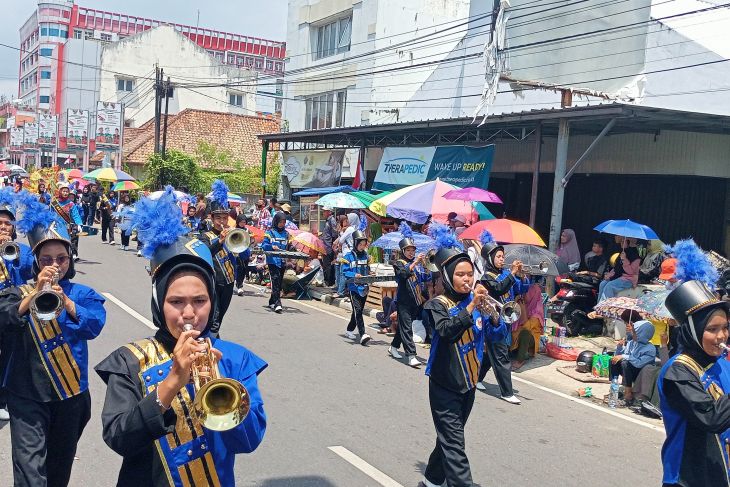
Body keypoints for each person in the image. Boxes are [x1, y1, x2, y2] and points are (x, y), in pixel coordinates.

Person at [95, 187, 266, 487]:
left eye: (200, 301)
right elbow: (119, 438)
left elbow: (249, 441)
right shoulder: (128, 361)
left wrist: (219, 385)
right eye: (176, 302)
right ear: (158, 304)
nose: (189, 314)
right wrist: (173, 381)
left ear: (213, 302)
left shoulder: (236, 360)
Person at [0, 199, 106, 487]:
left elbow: (94, 325)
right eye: (46, 259)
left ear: (70, 259)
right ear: (35, 262)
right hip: (26, 395)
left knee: (58, 471)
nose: (55, 265)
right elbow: (3, 319)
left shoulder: (83, 293)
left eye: (61, 258)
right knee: (30, 474)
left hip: (70, 395)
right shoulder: (17, 292)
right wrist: (33, 295)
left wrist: (68, 302)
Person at [420, 223, 491, 487]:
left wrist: (493, 316)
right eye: (460, 274)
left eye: (469, 274)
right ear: (448, 276)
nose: (467, 280)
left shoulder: (475, 300)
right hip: (444, 384)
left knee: (450, 437)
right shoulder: (437, 304)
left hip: (468, 384)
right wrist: (472, 306)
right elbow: (446, 331)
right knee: (455, 443)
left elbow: (493, 334)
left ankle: (432, 478)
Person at [658, 280, 730, 487]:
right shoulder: (677, 372)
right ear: (693, 331)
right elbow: (711, 417)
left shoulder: (721, 364)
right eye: (712, 329)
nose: (722, 336)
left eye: (725, 328)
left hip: (721, 470)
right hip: (690, 475)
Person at [476, 231, 529, 404]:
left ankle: (476, 379)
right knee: (501, 355)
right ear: (490, 258)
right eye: (498, 256)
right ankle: (507, 392)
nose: (501, 259)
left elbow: (521, 290)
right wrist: (512, 274)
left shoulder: (506, 273)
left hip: (506, 318)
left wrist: (521, 275)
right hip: (493, 320)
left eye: (502, 256)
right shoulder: (486, 277)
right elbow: (498, 289)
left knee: (492, 353)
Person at [0, 190, 35, 422]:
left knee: (11, 355)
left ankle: (3, 399)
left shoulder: (18, 250)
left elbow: (34, 268)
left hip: (12, 310)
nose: (4, 227)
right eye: (0, 223)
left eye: (8, 224)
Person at [389, 222, 432, 368]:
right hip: (403, 300)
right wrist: (415, 263)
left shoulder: (417, 263)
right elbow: (403, 274)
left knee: (403, 327)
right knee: (407, 327)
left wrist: (425, 265)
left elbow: (426, 278)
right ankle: (411, 355)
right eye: (408, 250)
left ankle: (393, 347)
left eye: (413, 250)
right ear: (403, 251)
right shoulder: (398, 263)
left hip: (416, 301)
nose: (411, 253)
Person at [199, 180, 237, 334]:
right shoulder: (205, 236)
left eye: (225, 218)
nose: (222, 221)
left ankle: (211, 340)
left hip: (228, 282)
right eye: (219, 218)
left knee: (219, 318)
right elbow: (205, 253)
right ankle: (213, 347)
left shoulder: (233, 234)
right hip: (213, 282)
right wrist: (219, 242)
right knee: (213, 319)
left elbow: (241, 256)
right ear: (212, 219)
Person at [609, 319, 656, 406]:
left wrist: (624, 356)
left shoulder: (650, 348)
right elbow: (621, 355)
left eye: (635, 333)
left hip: (639, 373)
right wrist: (619, 348)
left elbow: (638, 363)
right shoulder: (631, 343)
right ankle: (613, 390)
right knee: (613, 360)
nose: (632, 334)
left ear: (643, 334)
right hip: (628, 371)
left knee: (625, 363)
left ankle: (628, 394)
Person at [341, 231, 373, 345]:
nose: (362, 246)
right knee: (358, 311)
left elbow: (367, 269)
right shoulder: (347, 257)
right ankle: (363, 333)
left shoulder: (367, 256)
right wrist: (354, 275)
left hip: (364, 287)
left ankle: (349, 329)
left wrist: (370, 273)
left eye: (364, 244)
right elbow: (344, 272)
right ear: (355, 243)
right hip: (353, 288)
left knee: (357, 311)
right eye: (360, 244)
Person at [509, 283, 544, 370]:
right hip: (516, 337)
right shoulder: (524, 303)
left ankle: (520, 359)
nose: (524, 295)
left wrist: (522, 307)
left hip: (528, 342)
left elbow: (525, 326)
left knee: (525, 333)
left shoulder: (537, 314)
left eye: (527, 293)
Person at [262, 212, 290, 313]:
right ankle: (278, 303)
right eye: (280, 222)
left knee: (279, 282)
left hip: (282, 261)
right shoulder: (270, 233)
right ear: (276, 221)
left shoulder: (287, 234)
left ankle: (272, 301)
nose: (282, 224)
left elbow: (288, 247)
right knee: (275, 280)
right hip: (273, 261)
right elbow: (264, 245)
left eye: (284, 222)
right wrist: (271, 246)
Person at [52, 182, 83, 262]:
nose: (65, 193)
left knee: (66, 243)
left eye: (67, 191)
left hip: (66, 227)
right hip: (55, 226)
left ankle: (65, 257)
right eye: (63, 191)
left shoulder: (71, 204)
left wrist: (79, 224)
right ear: (60, 191)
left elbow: (75, 215)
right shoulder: (54, 202)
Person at [320, 206, 338, 287]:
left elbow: (334, 235)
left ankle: (329, 282)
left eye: (325, 211)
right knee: (326, 264)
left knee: (328, 265)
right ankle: (327, 281)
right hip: (325, 246)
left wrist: (332, 247)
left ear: (329, 212)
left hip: (329, 247)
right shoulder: (327, 221)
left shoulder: (332, 220)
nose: (323, 213)